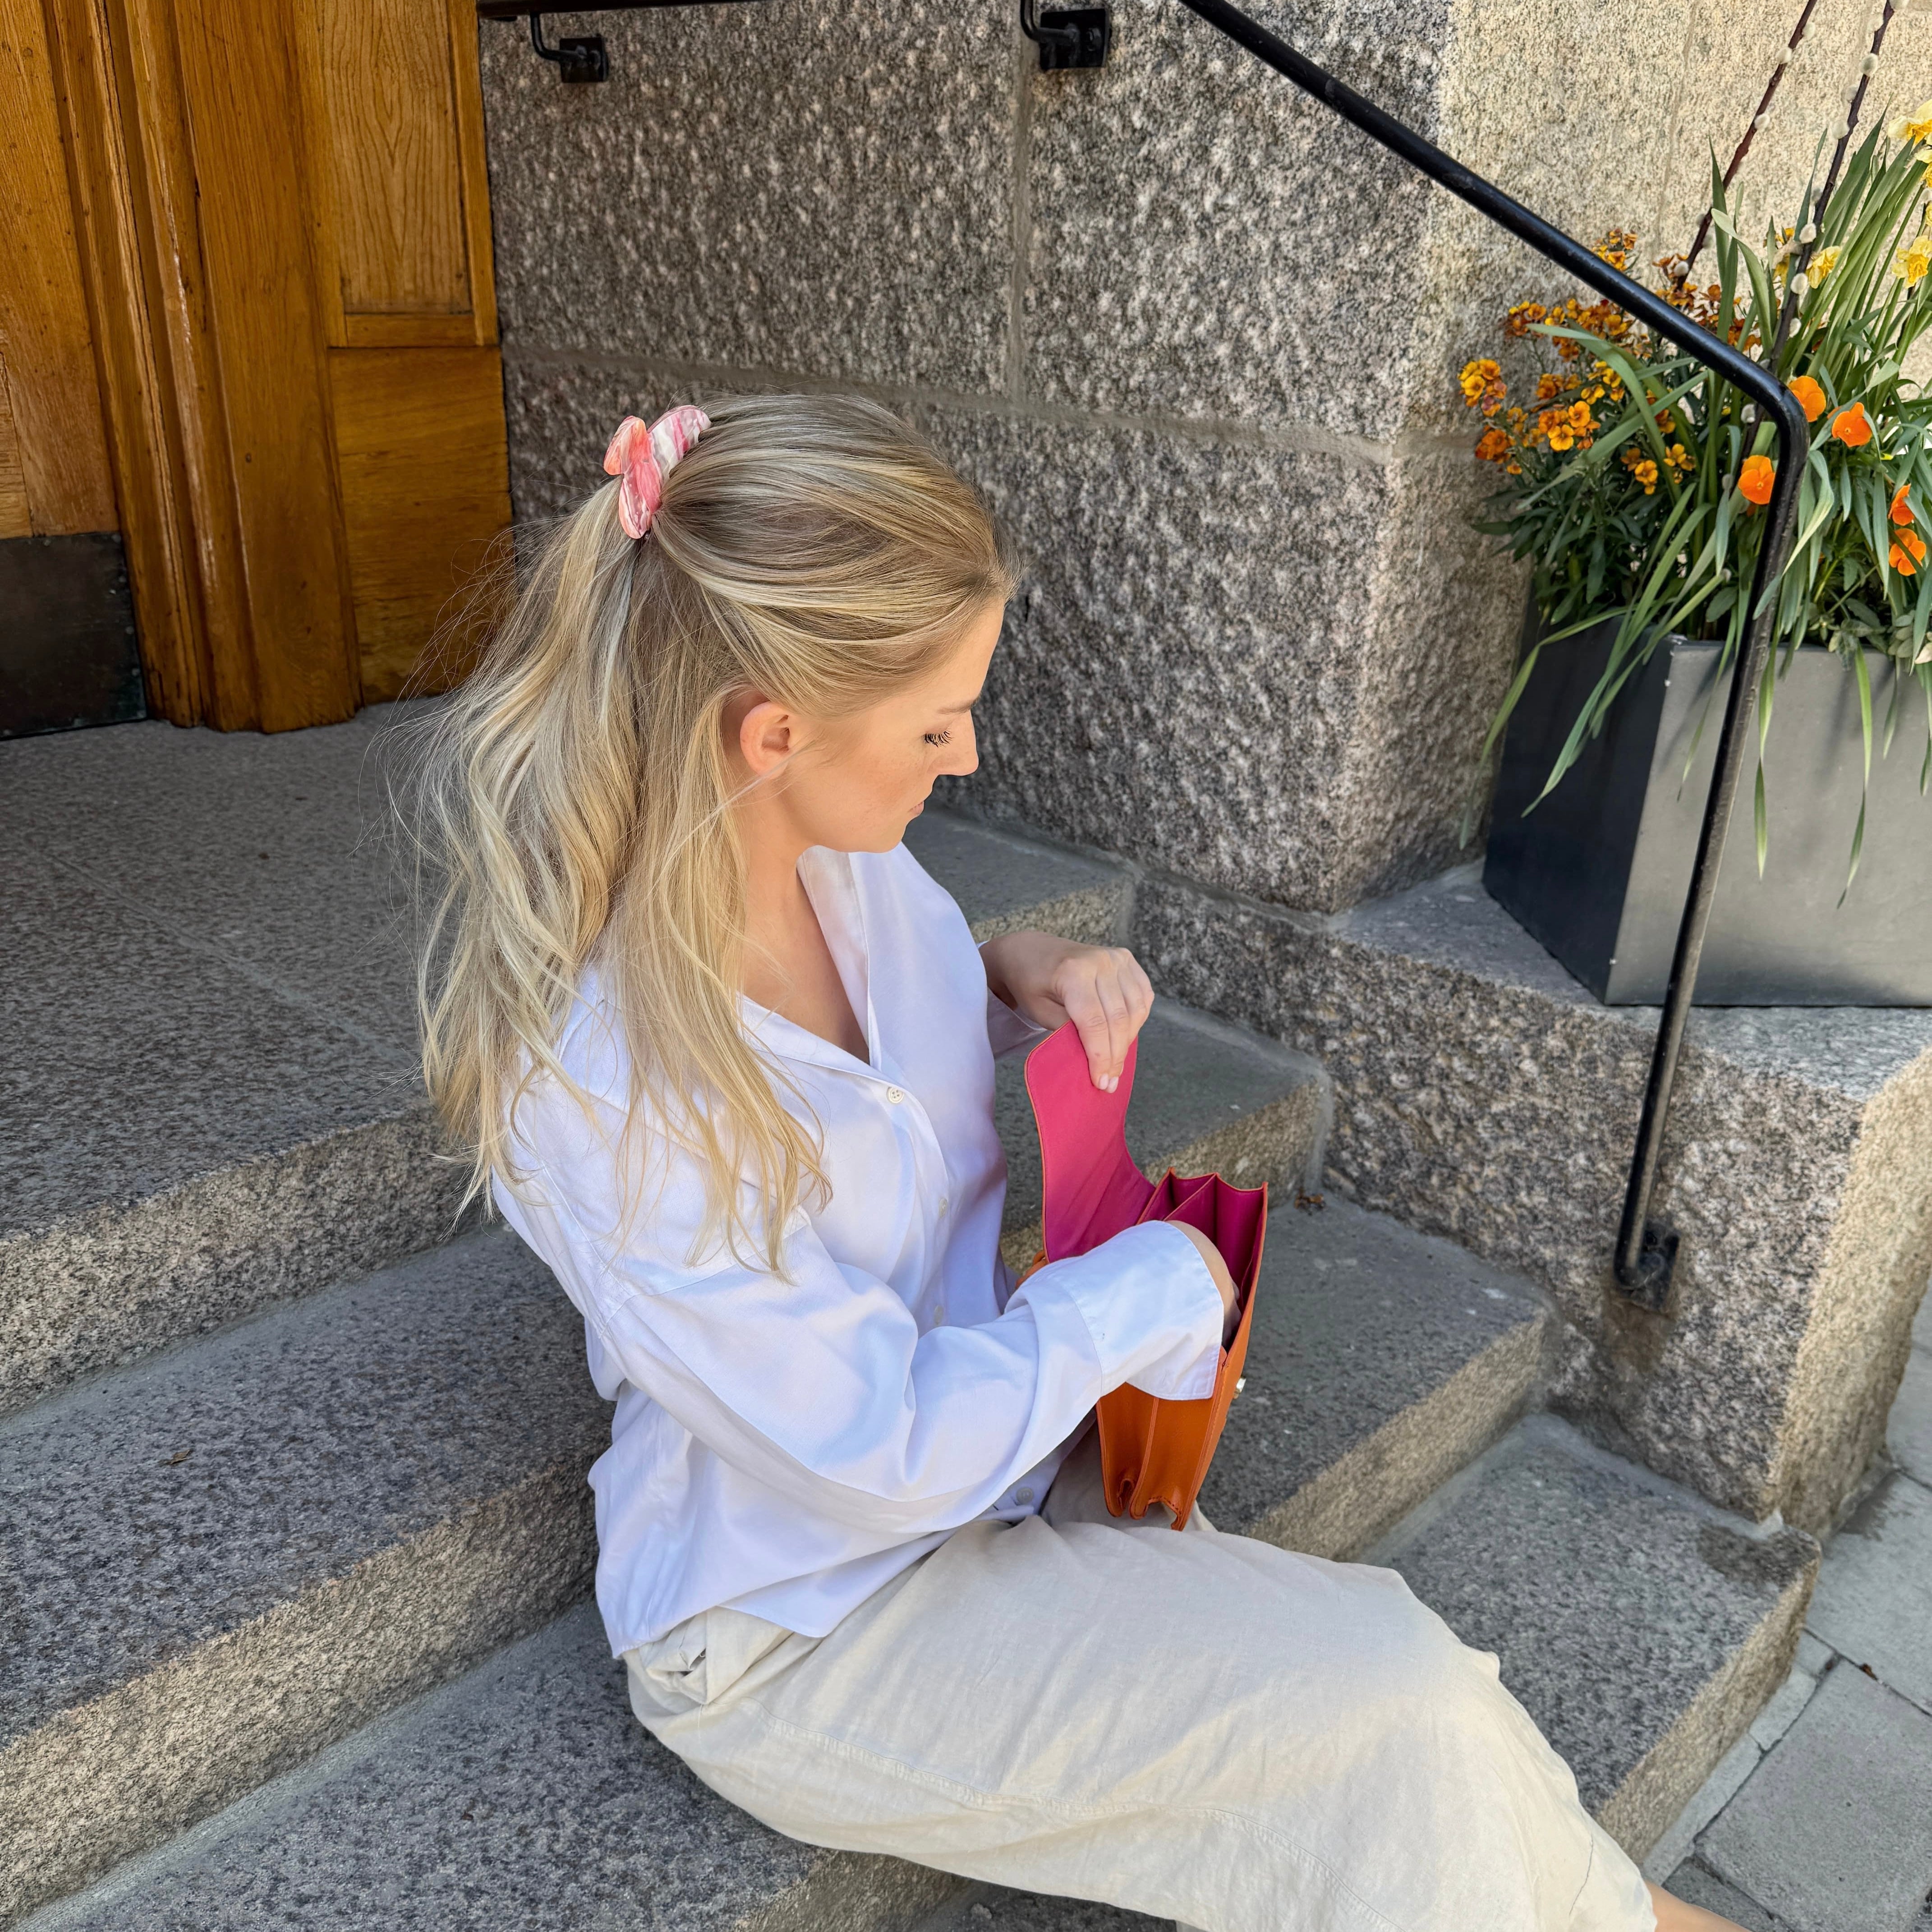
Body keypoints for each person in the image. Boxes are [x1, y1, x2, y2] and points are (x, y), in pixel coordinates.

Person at [415, 393, 1742, 1932]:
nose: (966, 752)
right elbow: (871, 1446)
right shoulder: (602, 1090)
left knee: (1412, 1705)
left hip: (994, 1473)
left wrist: (1017, 968)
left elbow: (878, 1049)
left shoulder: (846, 868)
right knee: (1393, 1701)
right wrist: (1145, 1289)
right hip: (803, 1616)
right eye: (935, 723)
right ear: (772, 735)